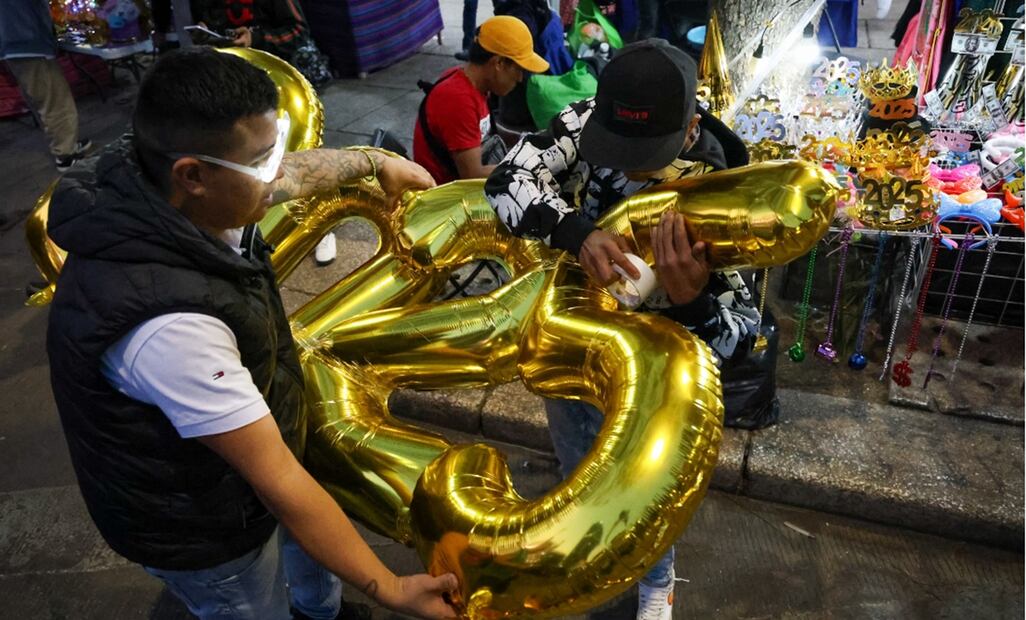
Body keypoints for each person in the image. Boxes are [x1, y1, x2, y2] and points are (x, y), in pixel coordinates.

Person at [46, 48, 455, 620]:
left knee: (304, 558)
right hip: (205, 529)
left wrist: (372, 160)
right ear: (192, 175)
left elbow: (295, 173)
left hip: (232, 478)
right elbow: (279, 480)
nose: (279, 172)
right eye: (263, 161)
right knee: (251, 603)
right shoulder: (170, 331)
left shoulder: (168, 186)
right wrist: (388, 586)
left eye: (276, 145)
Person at [485, 39, 760, 620]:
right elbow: (504, 180)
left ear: (690, 130)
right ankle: (594, 578)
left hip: (658, 379)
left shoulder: (725, 194)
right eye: (616, 148)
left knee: (645, 499)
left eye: (645, 154)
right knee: (580, 474)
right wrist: (577, 232)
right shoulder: (587, 120)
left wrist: (691, 300)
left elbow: (741, 342)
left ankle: (657, 582)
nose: (626, 165)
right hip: (578, 349)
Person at [413, 15, 549, 186]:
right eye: (519, 69)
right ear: (499, 63)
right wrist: (531, 167)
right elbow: (472, 175)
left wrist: (523, 138)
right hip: (445, 195)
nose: (520, 78)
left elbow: (480, 129)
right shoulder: (458, 100)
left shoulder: (471, 82)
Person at [1, 0, 91, 172]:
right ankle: (65, 154)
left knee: (43, 100)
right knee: (55, 102)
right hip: (27, 42)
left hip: (16, 44)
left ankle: (67, 143)